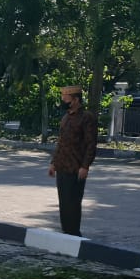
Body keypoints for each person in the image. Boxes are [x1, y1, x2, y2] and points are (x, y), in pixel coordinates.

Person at [47, 85, 97, 237]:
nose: (63, 101)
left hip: (76, 167)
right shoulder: (66, 117)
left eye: (66, 98)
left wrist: (85, 166)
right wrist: (53, 163)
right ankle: (65, 232)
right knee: (63, 202)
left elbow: (91, 144)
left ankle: (74, 234)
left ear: (76, 100)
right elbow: (61, 142)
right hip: (62, 165)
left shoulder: (86, 117)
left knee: (73, 203)